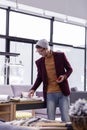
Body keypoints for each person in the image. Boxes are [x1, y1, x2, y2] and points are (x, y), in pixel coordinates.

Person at [28, 39, 73, 122]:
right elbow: (39, 77)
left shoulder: (60, 56)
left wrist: (64, 76)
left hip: (63, 92)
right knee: (50, 120)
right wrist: (33, 89)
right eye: (38, 52)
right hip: (50, 94)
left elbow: (70, 69)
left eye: (41, 52)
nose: (40, 54)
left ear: (46, 48)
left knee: (66, 119)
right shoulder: (39, 62)